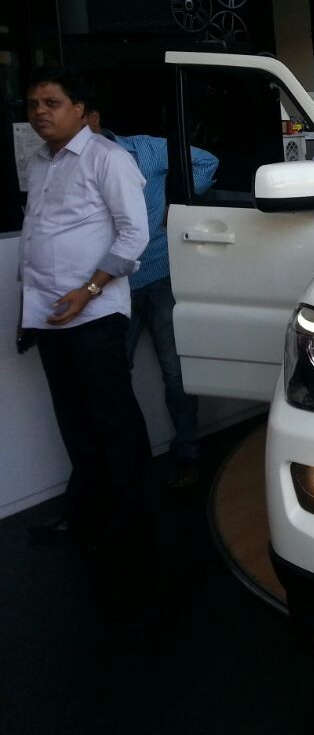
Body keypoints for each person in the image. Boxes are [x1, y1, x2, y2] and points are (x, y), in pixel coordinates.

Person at [18, 69, 151, 551]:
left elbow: (134, 234)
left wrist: (89, 290)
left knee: (112, 417)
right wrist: (27, 309)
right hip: (50, 314)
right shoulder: (39, 161)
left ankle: (131, 517)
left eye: (51, 102)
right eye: (33, 104)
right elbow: (39, 234)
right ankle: (86, 512)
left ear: (79, 109)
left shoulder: (107, 158)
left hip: (94, 313)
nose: (39, 112)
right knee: (74, 419)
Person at [85, 98, 219, 488]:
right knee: (110, 376)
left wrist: (177, 204)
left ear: (92, 117)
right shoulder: (72, 166)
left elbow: (206, 161)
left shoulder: (145, 149)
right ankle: (125, 463)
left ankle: (187, 452)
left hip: (159, 274)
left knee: (175, 372)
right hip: (110, 284)